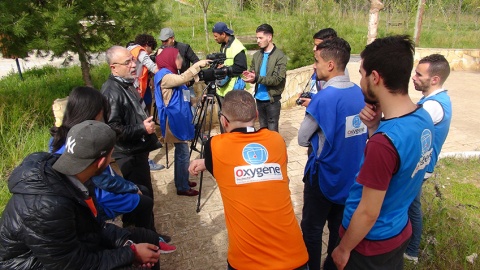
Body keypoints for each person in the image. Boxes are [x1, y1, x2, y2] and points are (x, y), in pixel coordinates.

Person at [332, 35, 435, 270]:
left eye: (361, 73)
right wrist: (374, 127)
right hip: (398, 231)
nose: (360, 81)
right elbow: (402, 169)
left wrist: (343, 249)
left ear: (375, 77)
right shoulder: (423, 118)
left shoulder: (384, 143)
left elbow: (368, 212)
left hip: (368, 245)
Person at [0, 120, 161, 269]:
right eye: (111, 154)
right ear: (101, 162)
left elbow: (95, 226)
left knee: (148, 238)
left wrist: (127, 243)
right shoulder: (49, 206)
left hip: (68, 247)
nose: (112, 159)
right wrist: (131, 254)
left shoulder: (77, 174)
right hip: (35, 264)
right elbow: (75, 264)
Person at [188, 90, 309, 270]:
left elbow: (229, 158)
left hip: (247, 262)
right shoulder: (276, 140)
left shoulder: (214, 146)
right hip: (294, 257)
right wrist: (207, 163)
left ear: (223, 121)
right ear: (257, 115)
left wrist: (206, 162)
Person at [49, 86, 176, 254]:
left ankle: (136, 228)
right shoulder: (87, 138)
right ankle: (150, 240)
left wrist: (128, 185)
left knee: (141, 191)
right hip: (98, 197)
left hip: (96, 191)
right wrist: (131, 187)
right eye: (102, 112)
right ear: (93, 112)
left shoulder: (65, 134)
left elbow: (106, 173)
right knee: (145, 200)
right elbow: (101, 178)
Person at [298, 37, 367, 270]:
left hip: (323, 177)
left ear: (330, 65)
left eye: (316, 61)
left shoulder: (323, 99)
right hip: (351, 177)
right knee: (338, 228)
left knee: (312, 229)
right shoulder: (359, 93)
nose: (314, 66)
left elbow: (301, 139)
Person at [405, 54, 452, 263]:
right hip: (423, 165)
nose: (413, 77)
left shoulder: (432, 106)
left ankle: (412, 251)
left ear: (434, 79)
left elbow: (407, 131)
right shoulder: (436, 100)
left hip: (420, 168)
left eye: (418, 74)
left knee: (411, 207)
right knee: (410, 205)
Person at [101, 46, 162, 203]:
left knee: (144, 194)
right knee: (141, 197)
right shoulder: (111, 92)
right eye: (127, 62)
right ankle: (141, 227)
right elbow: (113, 129)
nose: (134, 65)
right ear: (113, 68)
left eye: (133, 60)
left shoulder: (125, 83)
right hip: (129, 153)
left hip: (136, 149)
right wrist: (142, 128)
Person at [154, 47, 210, 196]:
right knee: (183, 154)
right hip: (173, 120)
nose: (181, 60)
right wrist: (198, 65)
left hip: (180, 118)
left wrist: (198, 100)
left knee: (182, 153)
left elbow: (186, 98)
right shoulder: (164, 76)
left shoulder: (172, 74)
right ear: (170, 59)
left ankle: (182, 181)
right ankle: (182, 186)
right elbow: (183, 79)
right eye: (178, 57)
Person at [127, 34, 165, 171]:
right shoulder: (140, 51)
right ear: (147, 44)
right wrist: (165, 74)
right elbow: (151, 65)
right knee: (145, 126)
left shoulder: (129, 49)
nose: (150, 53)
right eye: (150, 49)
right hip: (135, 94)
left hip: (132, 92)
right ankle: (146, 161)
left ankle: (139, 159)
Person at [242, 24, 287, 132]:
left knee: (272, 130)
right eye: (257, 38)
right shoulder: (256, 55)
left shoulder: (280, 56)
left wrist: (257, 78)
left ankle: (275, 149)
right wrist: (251, 76)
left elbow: (277, 79)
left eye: (260, 38)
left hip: (272, 100)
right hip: (259, 98)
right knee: (263, 130)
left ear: (269, 37)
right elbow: (253, 72)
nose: (258, 40)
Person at [212, 22, 248, 101]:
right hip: (223, 88)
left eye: (216, 36)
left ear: (223, 34)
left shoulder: (237, 47)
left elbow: (241, 67)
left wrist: (225, 69)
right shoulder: (224, 45)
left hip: (234, 89)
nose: (214, 38)